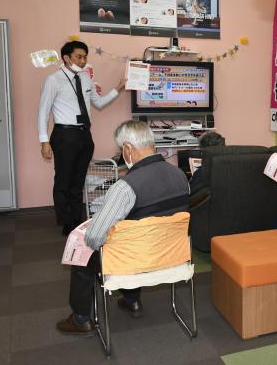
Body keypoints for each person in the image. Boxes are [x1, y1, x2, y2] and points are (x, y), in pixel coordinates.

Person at [56, 120, 190, 334]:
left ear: (127, 149)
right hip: (170, 254)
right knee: (137, 233)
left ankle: (80, 319)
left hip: (134, 258)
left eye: (121, 149)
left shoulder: (126, 187)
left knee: (84, 250)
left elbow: (95, 237)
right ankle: (131, 300)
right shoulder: (181, 175)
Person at [38, 41, 126, 236]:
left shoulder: (85, 78)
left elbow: (99, 103)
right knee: (63, 180)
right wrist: (44, 141)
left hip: (84, 135)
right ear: (66, 58)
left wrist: (119, 87)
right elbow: (43, 111)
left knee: (78, 181)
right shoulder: (53, 80)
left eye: (85, 57)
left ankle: (77, 220)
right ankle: (66, 222)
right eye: (79, 57)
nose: (83, 61)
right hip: (64, 134)